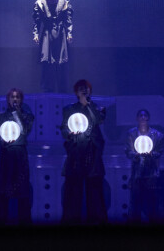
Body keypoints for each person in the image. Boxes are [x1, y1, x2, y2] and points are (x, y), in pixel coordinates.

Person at [60, 79, 107, 224]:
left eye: (86, 88)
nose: (84, 90)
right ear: (76, 92)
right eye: (81, 89)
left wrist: (89, 105)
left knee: (94, 191)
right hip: (76, 152)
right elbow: (64, 128)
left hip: (92, 152)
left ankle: (97, 222)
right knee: (73, 190)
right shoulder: (69, 109)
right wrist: (69, 134)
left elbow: (98, 120)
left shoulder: (98, 108)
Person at [0, 88, 35, 224]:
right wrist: (3, 141)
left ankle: (24, 222)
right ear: (8, 99)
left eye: (17, 97)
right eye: (12, 97)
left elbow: (25, 131)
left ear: (21, 100)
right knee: (3, 189)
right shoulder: (1, 116)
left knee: (22, 189)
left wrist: (17, 114)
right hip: (6, 154)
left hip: (20, 154)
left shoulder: (27, 116)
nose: (15, 99)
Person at [124, 109, 164, 223]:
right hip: (136, 174)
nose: (143, 117)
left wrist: (151, 154)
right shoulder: (131, 134)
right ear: (137, 118)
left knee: (152, 203)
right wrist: (135, 155)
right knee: (135, 203)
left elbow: (160, 151)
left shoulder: (157, 135)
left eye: (145, 115)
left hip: (151, 174)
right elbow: (128, 151)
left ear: (148, 118)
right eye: (140, 115)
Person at [32, 0, 73, 93]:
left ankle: (62, 89)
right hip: (47, 35)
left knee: (62, 62)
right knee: (47, 63)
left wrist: (69, 33)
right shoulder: (40, 4)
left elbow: (68, 20)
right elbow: (36, 22)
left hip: (61, 35)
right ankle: (47, 89)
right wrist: (35, 34)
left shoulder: (64, 3)